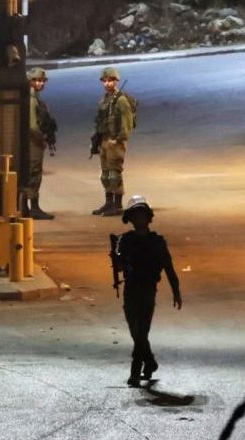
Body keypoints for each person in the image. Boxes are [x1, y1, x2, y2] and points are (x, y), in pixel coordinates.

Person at [113, 195, 182, 387]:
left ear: (148, 217)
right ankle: (149, 361)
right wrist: (117, 257)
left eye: (142, 214)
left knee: (141, 331)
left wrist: (176, 291)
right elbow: (119, 264)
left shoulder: (157, 242)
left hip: (148, 290)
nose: (139, 218)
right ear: (130, 218)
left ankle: (135, 371)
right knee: (135, 330)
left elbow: (168, 267)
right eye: (136, 215)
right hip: (130, 290)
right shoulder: (125, 241)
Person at [92, 66, 135, 216]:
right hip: (104, 140)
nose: (107, 83)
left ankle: (117, 205)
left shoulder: (121, 100)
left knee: (114, 173)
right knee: (105, 173)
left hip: (115, 142)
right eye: (104, 81)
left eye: (110, 80)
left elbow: (127, 123)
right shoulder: (105, 99)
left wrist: (118, 140)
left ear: (116, 81)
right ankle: (108, 203)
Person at [22, 67, 57, 220]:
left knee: (31, 173)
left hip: (31, 142)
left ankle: (25, 207)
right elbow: (32, 126)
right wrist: (41, 138)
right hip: (32, 143)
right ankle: (33, 208)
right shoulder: (31, 100)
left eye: (42, 81)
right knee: (34, 174)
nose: (40, 83)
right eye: (36, 80)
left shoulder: (34, 98)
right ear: (30, 81)